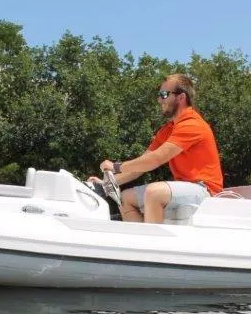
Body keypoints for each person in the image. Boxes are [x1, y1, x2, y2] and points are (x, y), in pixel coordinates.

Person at [95, 73, 223, 223]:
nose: (159, 99)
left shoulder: (192, 124)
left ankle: (153, 244)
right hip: (186, 188)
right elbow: (141, 165)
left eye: (164, 94)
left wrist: (116, 166)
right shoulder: (168, 129)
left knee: (154, 193)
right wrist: (106, 185)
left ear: (181, 98)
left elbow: (155, 159)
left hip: (205, 190)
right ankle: (140, 243)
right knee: (125, 198)